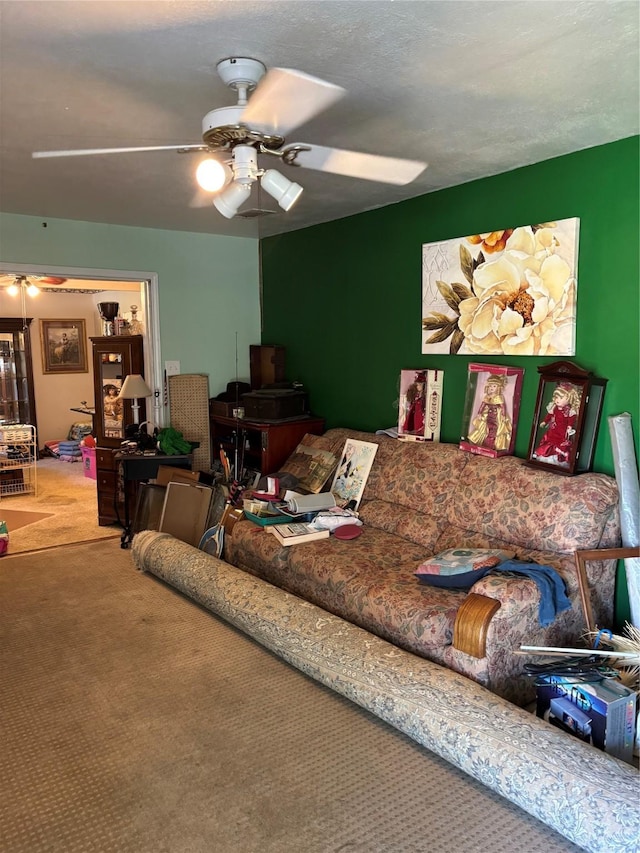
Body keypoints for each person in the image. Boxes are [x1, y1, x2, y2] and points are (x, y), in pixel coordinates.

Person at [533, 382, 582, 465]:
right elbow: (550, 415)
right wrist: (545, 421)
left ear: (569, 398)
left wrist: (569, 426)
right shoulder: (554, 407)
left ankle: (556, 459)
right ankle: (542, 453)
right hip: (553, 429)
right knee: (548, 441)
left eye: (560, 397)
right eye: (556, 397)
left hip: (562, 431)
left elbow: (571, 419)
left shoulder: (569, 411)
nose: (557, 400)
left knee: (558, 444)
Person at [467, 373, 512, 451]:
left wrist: (503, 415)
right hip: (487, 412)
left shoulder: (499, 397)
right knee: (484, 427)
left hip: (496, 414)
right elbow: (482, 405)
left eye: (494, 386)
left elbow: (502, 406)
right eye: (491, 386)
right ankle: (483, 443)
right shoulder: (487, 396)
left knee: (496, 428)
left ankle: (494, 445)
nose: (492, 388)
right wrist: (479, 413)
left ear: (498, 387)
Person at [402, 371, 427, 435]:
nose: (417, 386)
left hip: (420, 412)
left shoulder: (423, 397)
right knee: (413, 420)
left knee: (418, 421)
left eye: (419, 385)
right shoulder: (416, 395)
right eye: (417, 385)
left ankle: (418, 430)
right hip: (415, 410)